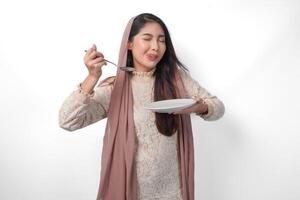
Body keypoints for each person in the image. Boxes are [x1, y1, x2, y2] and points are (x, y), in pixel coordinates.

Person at [59, 13, 225, 200]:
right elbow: (68, 121)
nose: (155, 46)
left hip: (174, 192)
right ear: (129, 44)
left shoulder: (176, 80)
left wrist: (198, 107)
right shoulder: (116, 88)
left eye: (161, 40)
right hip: (130, 193)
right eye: (147, 38)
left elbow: (218, 107)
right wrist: (92, 77)